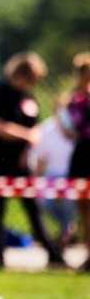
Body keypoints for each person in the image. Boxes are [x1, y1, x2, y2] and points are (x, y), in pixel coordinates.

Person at [0, 52, 66, 269]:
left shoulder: (27, 97)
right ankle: (0, 257)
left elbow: (34, 125)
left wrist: (28, 147)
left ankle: (52, 253)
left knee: (32, 208)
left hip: (21, 162)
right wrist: (27, 136)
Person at [33, 107, 77, 249]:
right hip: (52, 176)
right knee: (42, 201)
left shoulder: (79, 129)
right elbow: (40, 157)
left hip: (72, 176)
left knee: (69, 203)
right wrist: (36, 177)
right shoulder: (47, 129)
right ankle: (67, 227)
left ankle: (66, 232)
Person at [63, 52, 90, 271]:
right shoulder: (76, 99)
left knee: (85, 210)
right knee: (84, 209)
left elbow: (72, 130)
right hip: (83, 154)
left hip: (84, 153)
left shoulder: (77, 99)